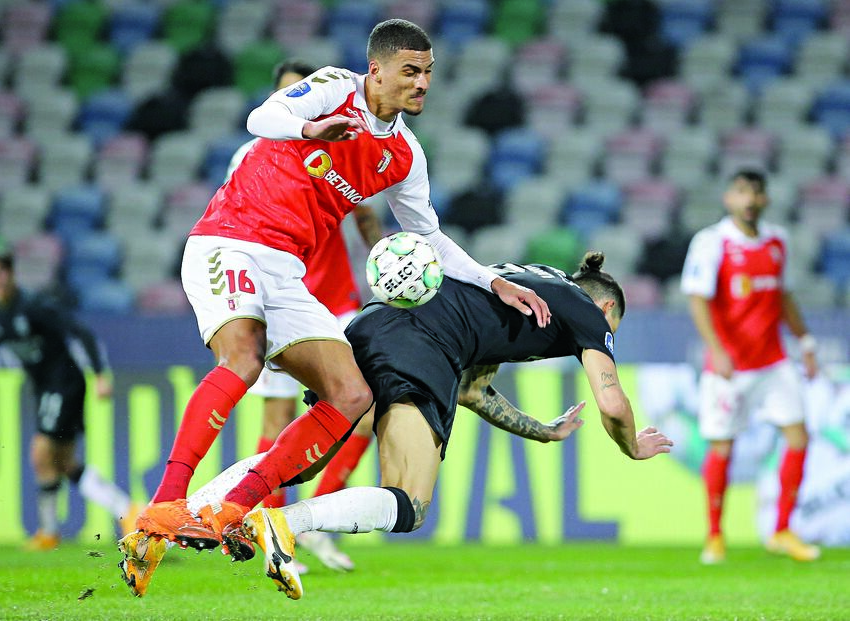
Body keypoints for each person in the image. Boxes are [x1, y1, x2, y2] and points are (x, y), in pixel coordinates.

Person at [124, 17, 550, 565]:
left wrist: (495, 281)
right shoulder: (334, 89)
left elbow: (429, 238)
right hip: (229, 240)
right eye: (410, 71)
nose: (422, 83)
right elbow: (262, 116)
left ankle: (233, 511)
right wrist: (309, 131)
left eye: (428, 73)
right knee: (244, 356)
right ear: (375, 70)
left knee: (353, 396)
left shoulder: (403, 156)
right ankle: (165, 505)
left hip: (285, 270)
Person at [119, 253, 673, 599]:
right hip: (422, 348)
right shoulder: (583, 310)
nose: (603, 340)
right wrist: (630, 447)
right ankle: (282, 525)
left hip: (372, 327)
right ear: (605, 310)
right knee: (409, 501)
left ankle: (168, 522)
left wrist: (540, 431)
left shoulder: (526, 283)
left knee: (307, 454)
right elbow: (613, 402)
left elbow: (474, 388)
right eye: (610, 329)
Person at [228, 59, 382, 573]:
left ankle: (313, 520)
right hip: (276, 298)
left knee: (366, 405)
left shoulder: (338, 147)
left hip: (334, 301)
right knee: (277, 420)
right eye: (289, 96)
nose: (301, 103)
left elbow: (363, 214)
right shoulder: (249, 158)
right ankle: (272, 534)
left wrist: (386, 270)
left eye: (307, 93)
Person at [0, 251, 139, 550]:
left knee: (40, 453)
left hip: (65, 384)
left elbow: (81, 332)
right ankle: (127, 510)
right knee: (63, 462)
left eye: (1, 273)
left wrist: (100, 375)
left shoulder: (35, 307)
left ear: (11, 275)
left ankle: (48, 531)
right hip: (44, 388)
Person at [680, 169, 821, 564]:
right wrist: (717, 350)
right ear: (728, 198)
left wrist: (806, 342)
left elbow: (784, 297)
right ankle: (714, 536)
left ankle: (781, 531)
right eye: (742, 192)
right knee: (723, 445)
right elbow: (697, 298)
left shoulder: (778, 241)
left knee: (798, 437)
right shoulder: (712, 242)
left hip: (774, 360)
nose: (750, 200)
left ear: (766, 199)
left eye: (756, 193)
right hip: (731, 365)